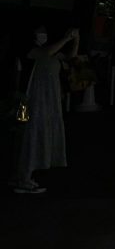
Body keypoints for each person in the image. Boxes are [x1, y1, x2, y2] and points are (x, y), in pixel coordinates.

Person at [9, 25, 78, 194]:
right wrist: (67, 38)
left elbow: (70, 57)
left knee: (29, 135)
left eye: (45, 32)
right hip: (26, 102)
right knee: (26, 134)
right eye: (40, 32)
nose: (43, 35)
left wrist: (76, 39)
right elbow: (46, 53)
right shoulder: (33, 51)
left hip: (44, 103)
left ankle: (21, 175)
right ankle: (23, 179)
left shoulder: (51, 52)